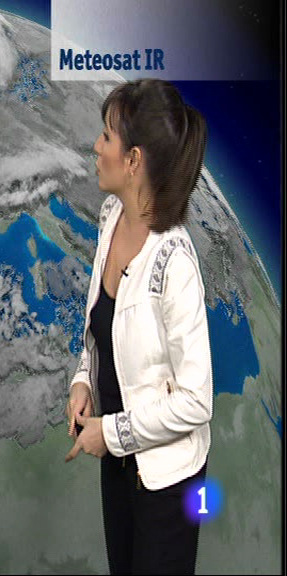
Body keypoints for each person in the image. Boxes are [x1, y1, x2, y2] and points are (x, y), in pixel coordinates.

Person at [63, 78, 212, 575]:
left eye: (106, 136)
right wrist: (84, 379)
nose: (95, 146)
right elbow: (102, 324)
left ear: (133, 160)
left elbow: (197, 402)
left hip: (168, 484)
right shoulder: (112, 215)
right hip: (118, 459)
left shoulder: (175, 265)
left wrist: (111, 433)